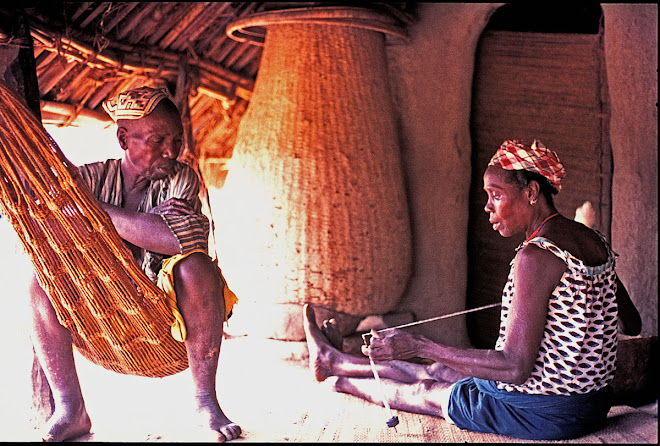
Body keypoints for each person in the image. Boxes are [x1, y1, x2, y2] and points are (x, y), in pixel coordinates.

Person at [304, 139, 642, 441]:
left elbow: (514, 368)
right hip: (592, 405)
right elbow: (632, 323)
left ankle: (341, 381)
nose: (488, 207)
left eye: (496, 195)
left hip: (542, 412)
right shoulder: (592, 240)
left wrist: (419, 345)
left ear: (531, 193)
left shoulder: (536, 256)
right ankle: (333, 360)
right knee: (439, 372)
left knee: (426, 390)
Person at [28, 86, 241, 442]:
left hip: (165, 306)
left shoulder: (180, 178)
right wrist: (144, 223)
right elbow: (55, 233)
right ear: (124, 139)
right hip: (99, 301)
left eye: (176, 139)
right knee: (40, 279)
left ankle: (206, 401)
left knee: (196, 266)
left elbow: (178, 240)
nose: (171, 151)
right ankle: (70, 408)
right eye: (157, 140)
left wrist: (97, 214)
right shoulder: (86, 178)